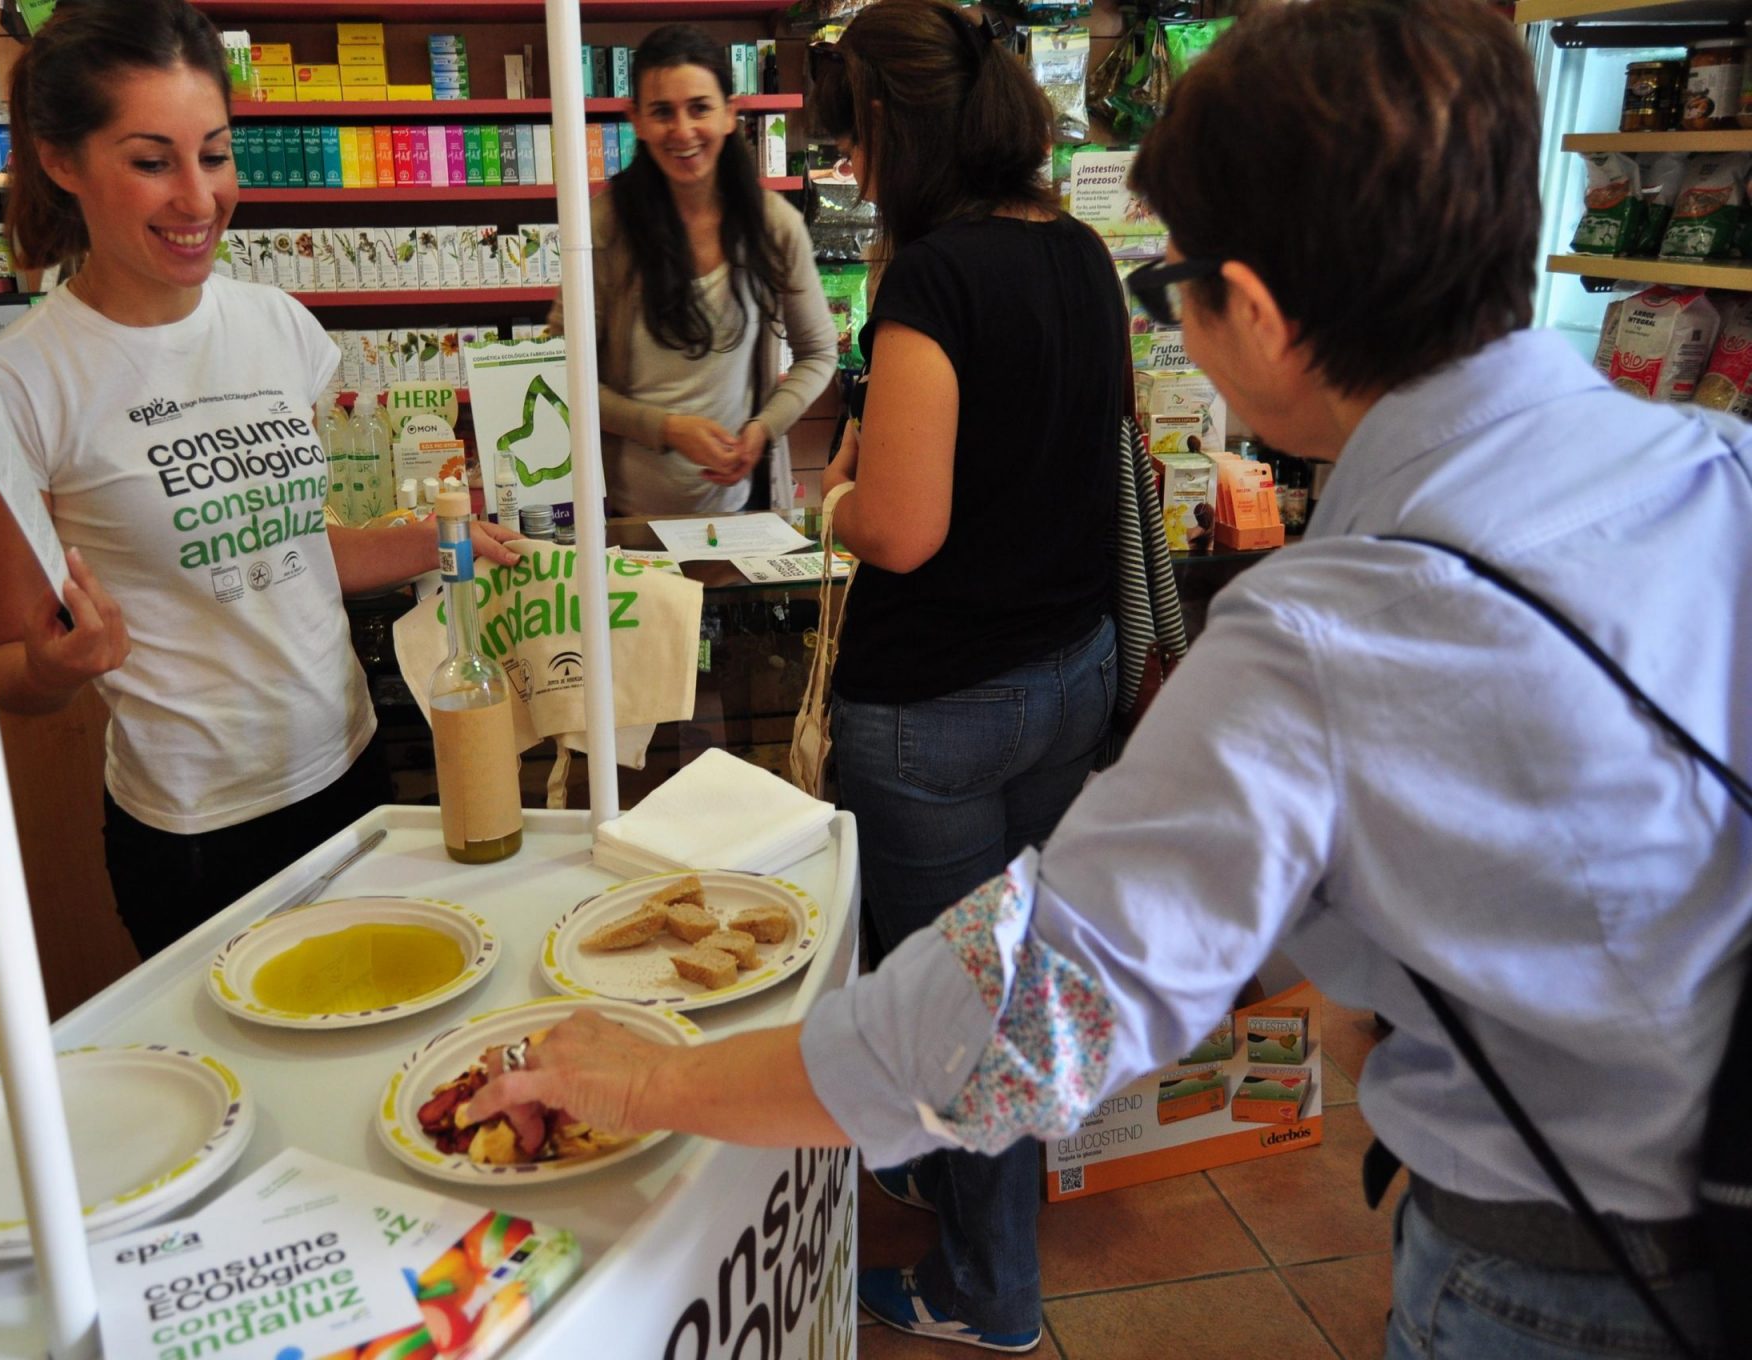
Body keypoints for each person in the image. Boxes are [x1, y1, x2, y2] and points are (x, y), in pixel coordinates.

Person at [466, 2, 1751, 1356]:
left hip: (1554, 1279)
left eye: (1176, 288)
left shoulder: (1323, 635)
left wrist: (657, 1074)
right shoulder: (1714, 473)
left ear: (1249, 311)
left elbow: (1018, 1011)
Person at [0, 0, 520, 958]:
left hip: (348, 773)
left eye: (213, 154)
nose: (198, 196)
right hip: (192, 831)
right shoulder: (14, 385)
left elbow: (293, 548)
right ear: (60, 160)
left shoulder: (276, 326)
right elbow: (11, 668)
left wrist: (437, 540)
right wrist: (55, 665)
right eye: (150, 161)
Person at [803, 0, 1126, 1347]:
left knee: (963, 1007)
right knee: (1028, 977)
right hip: (1072, 669)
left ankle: (988, 1292)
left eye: (851, 126)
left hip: (937, 708)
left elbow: (904, 526)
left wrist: (832, 500)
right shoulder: (1083, 252)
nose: (844, 156)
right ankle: (980, 1217)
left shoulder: (929, 279)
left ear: (892, 124)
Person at [549, 23, 835, 517]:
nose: (682, 131)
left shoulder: (774, 226)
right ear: (635, 120)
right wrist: (665, 428)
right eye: (662, 112)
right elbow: (559, 374)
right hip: (623, 526)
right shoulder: (604, 225)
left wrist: (763, 428)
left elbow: (818, 353)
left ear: (730, 114)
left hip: (742, 520)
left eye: (700, 108)